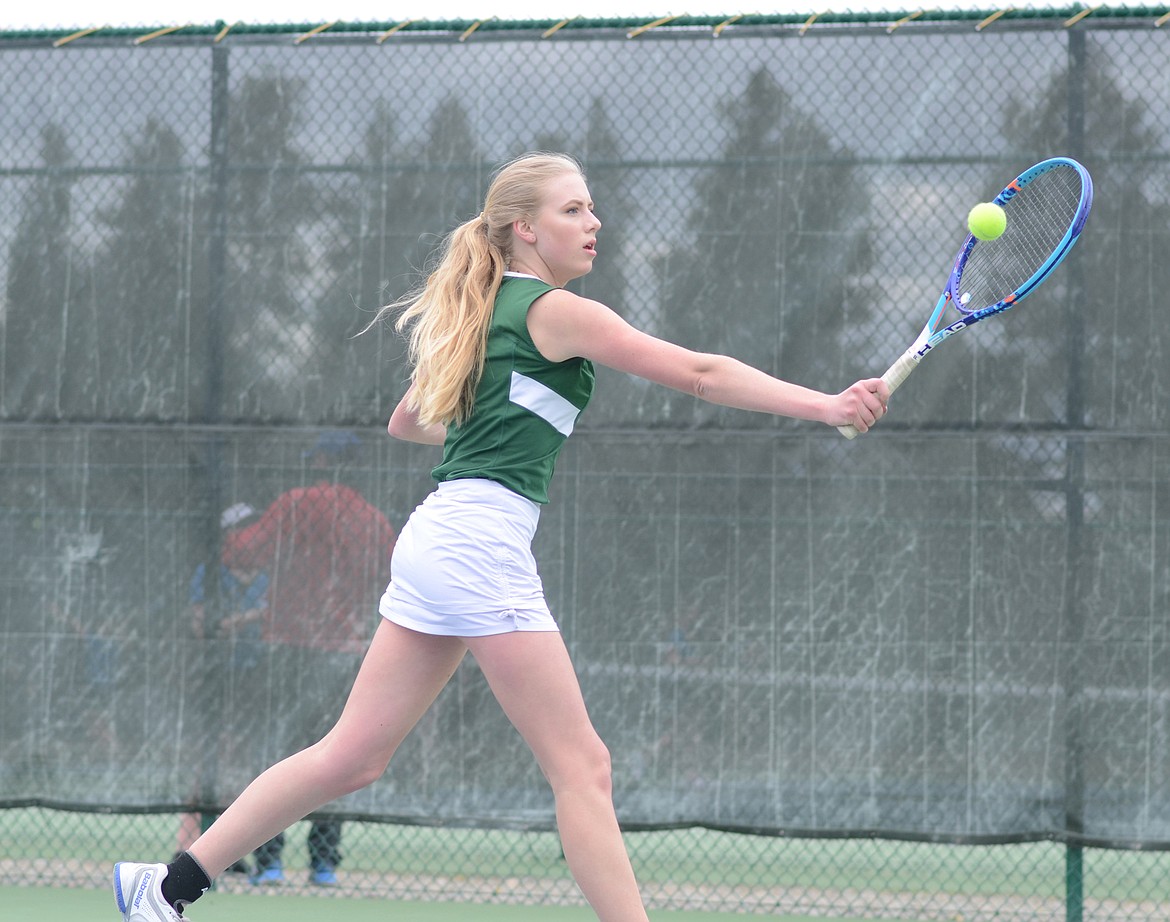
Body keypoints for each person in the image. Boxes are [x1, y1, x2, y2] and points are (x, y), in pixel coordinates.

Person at [112, 151, 888, 922]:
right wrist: (826, 406)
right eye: (572, 210)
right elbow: (701, 374)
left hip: (439, 536)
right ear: (524, 229)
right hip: (477, 543)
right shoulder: (554, 312)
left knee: (353, 756)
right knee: (583, 766)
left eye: (590, 209)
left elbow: (407, 423)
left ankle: (167, 888)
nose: (594, 223)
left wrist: (488, 415)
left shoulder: (483, 316)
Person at [217, 431, 397, 887]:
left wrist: (223, 524)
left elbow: (242, 551)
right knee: (337, 757)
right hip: (344, 652)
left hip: (287, 649)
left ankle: (269, 862)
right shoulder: (372, 521)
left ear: (317, 461)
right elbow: (391, 576)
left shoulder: (293, 504)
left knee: (277, 752)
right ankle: (323, 863)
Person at [174, 502, 269, 874]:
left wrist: (244, 619)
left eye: (253, 528)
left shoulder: (268, 574)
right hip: (215, 677)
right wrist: (237, 621)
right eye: (240, 529)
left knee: (243, 762)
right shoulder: (209, 574)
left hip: (256, 676)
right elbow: (200, 626)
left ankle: (223, 854)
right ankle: (186, 849)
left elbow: (278, 616)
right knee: (205, 762)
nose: (248, 536)